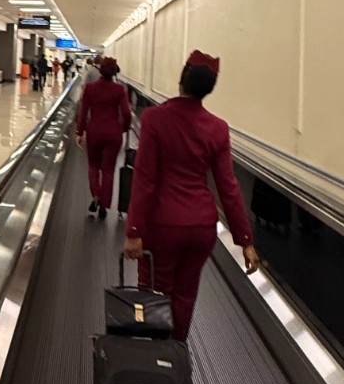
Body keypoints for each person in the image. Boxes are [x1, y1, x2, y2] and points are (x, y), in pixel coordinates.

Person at [123, 50, 260, 339]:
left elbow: (145, 179)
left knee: (155, 290)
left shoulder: (155, 118)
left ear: (182, 78)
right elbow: (228, 187)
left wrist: (134, 230)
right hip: (201, 228)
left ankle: (154, 351)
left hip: (161, 225)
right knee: (185, 293)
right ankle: (176, 349)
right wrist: (245, 240)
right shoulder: (218, 128)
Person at [75, 55, 132, 219]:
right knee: (108, 169)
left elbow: (83, 112)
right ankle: (104, 206)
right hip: (114, 132)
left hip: (94, 131)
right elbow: (127, 113)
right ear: (114, 72)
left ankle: (95, 196)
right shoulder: (120, 89)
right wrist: (123, 128)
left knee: (93, 166)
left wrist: (79, 132)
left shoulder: (90, 88)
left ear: (100, 70)